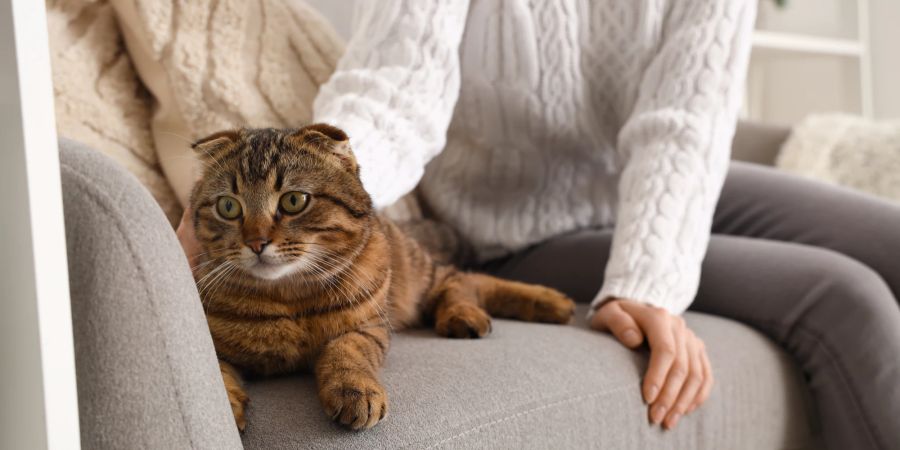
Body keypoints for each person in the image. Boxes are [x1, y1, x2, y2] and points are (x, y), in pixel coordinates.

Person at [178, 1, 900, 447]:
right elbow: (398, 87)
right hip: (514, 223)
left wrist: (649, 275)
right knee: (845, 300)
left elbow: (684, 123)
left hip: (635, 185)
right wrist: (321, 183)